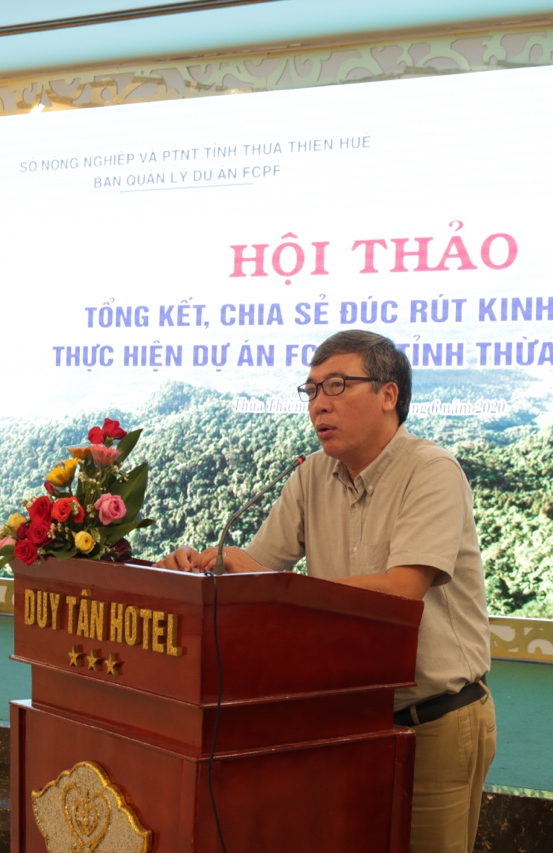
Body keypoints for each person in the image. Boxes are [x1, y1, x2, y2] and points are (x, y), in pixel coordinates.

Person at [158, 329, 495, 853]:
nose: (319, 404)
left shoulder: (431, 471)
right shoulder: (312, 473)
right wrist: (196, 568)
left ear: (388, 395)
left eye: (337, 386)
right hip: (341, 721)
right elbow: (257, 569)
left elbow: (401, 590)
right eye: (312, 390)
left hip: (430, 721)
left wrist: (270, 582)